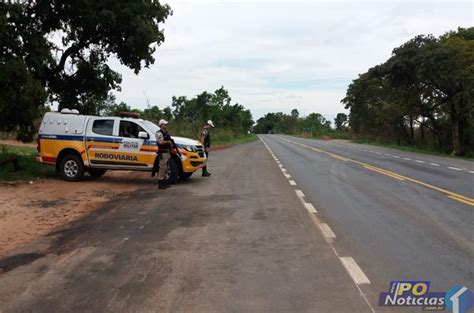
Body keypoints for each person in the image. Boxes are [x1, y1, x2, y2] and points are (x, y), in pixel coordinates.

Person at [155, 119, 173, 189]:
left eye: (166, 124)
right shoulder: (159, 133)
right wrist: (168, 142)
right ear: (161, 125)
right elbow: (160, 142)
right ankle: (160, 183)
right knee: (162, 168)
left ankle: (164, 182)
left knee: (166, 168)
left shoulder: (166, 133)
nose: (166, 125)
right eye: (164, 124)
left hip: (167, 152)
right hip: (163, 153)